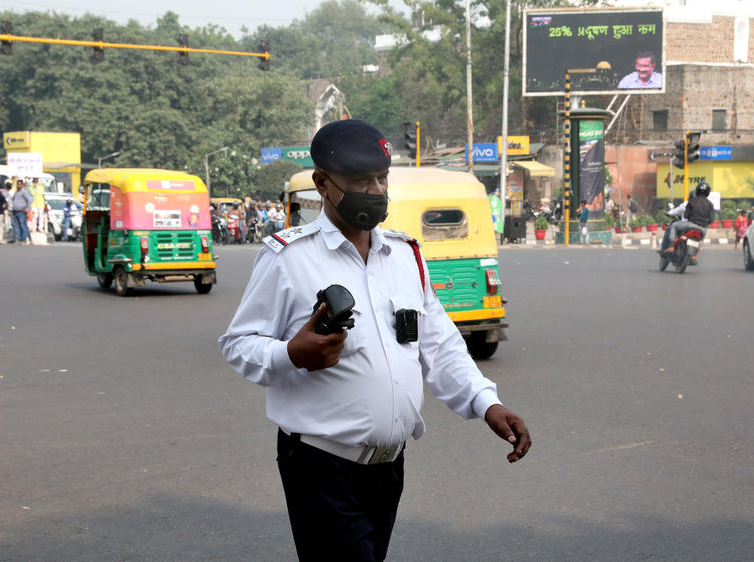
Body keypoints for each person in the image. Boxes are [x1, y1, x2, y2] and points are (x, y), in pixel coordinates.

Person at [219, 119, 531, 561]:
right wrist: (290, 353)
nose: (374, 190)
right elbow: (238, 343)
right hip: (320, 466)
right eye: (359, 180)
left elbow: (438, 346)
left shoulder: (405, 256)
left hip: (388, 467)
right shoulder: (288, 259)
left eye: (380, 179)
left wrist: (487, 403)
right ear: (322, 183)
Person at [660, 181, 715, 255]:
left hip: (689, 225)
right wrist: (704, 223)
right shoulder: (710, 204)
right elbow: (711, 219)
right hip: (702, 228)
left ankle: (671, 247)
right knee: (701, 240)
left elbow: (686, 215)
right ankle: (694, 256)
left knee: (673, 226)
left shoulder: (690, 202)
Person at [10, 179, 33, 245]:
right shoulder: (16, 192)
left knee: (23, 226)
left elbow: (29, 200)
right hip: (16, 211)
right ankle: (18, 239)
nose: (18, 186)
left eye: (20, 184)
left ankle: (23, 239)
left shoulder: (24, 192)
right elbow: (14, 201)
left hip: (22, 212)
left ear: (22, 185)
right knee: (17, 226)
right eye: (17, 184)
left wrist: (27, 209)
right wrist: (13, 212)